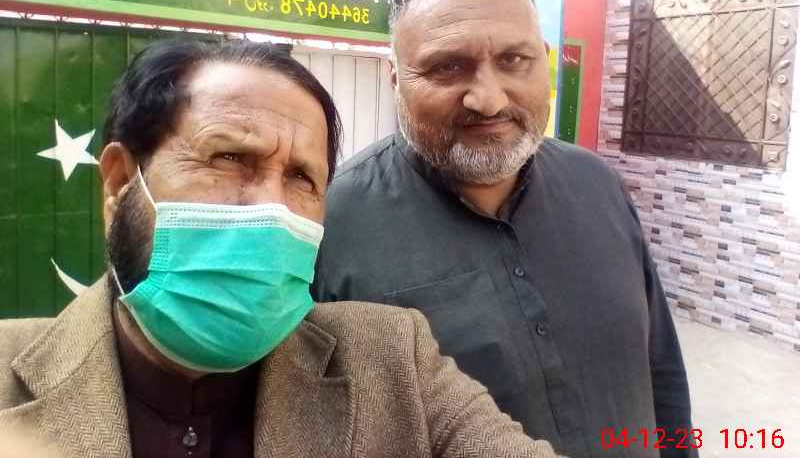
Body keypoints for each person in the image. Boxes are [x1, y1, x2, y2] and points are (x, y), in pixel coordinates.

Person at [0, 41, 560, 458]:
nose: (271, 208)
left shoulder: (395, 365)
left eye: (300, 178)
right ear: (120, 183)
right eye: (229, 159)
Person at [313, 0, 697, 458]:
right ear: (396, 78)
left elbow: (661, 370)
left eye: (514, 60)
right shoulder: (332, 225)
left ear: (544, 61)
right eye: (448, 67)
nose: (488, 99)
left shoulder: (598, 185)